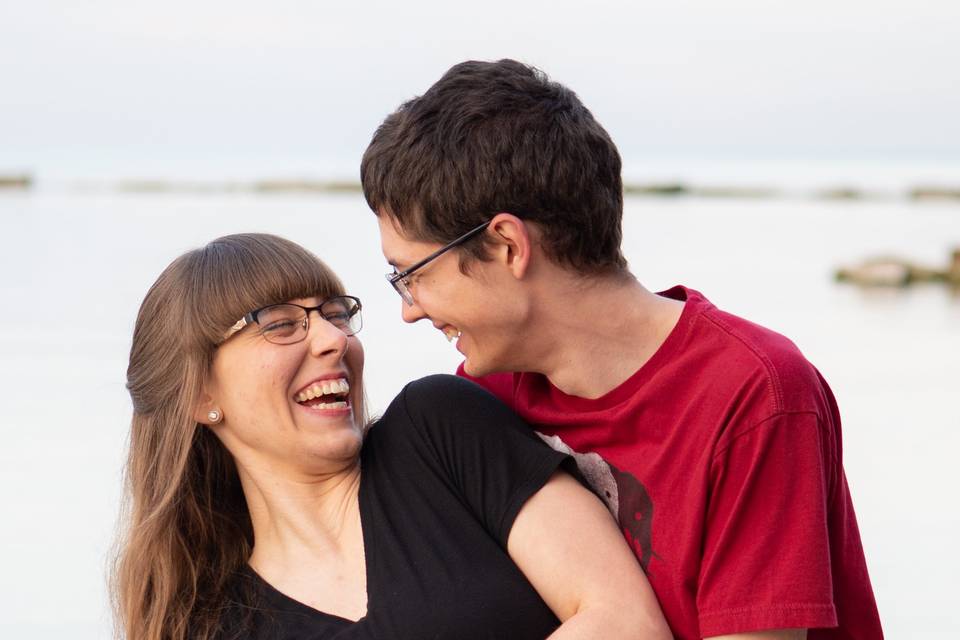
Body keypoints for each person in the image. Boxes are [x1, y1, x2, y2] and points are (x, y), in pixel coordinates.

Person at [361, 59, 884, 639]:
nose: (409, 309)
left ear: (507, 245)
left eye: (413, 274)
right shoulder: (481, 400)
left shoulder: (753, 391)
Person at [111, 233, 670, 640]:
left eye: (335, 314)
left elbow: (623, 619)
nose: (333, 339)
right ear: (199, 395)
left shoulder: (440, 430)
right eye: (281, 324)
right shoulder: (214, 626)